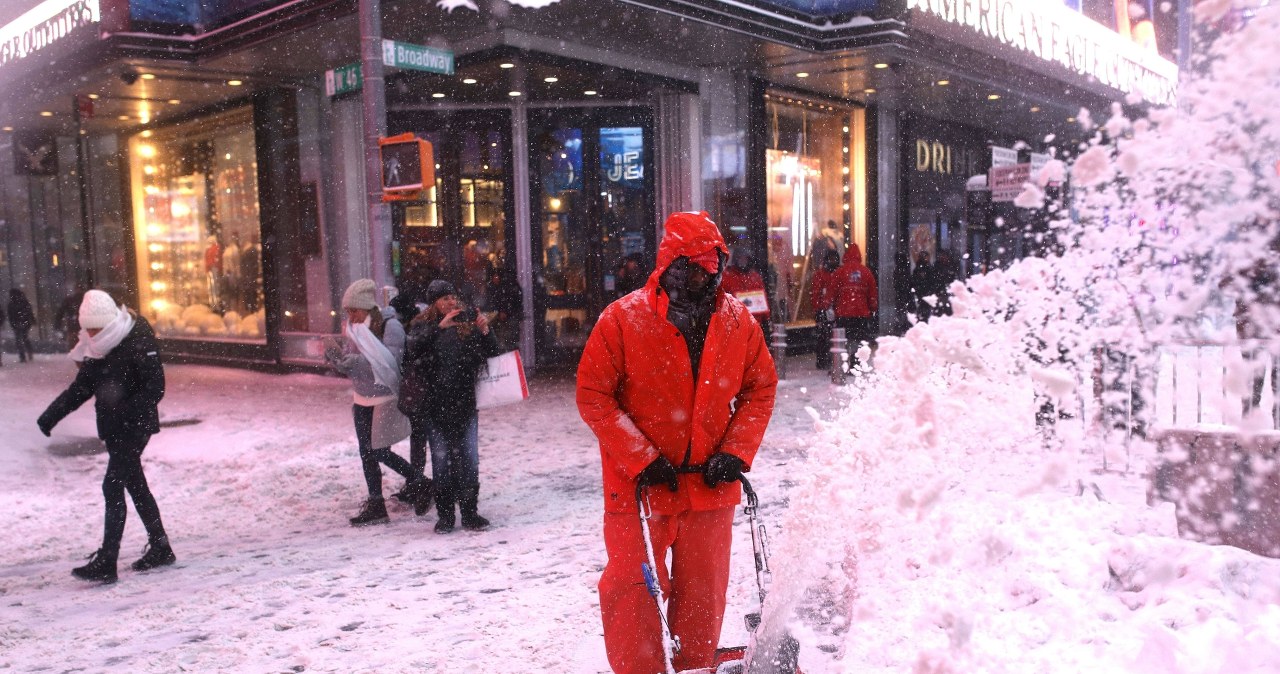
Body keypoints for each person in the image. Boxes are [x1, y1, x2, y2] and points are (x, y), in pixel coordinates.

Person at [576, 211, 778, 674]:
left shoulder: (738, 323)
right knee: (633, 592)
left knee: (703, 599)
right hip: (638, 491)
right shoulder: (622, 320)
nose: (707, 277)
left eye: (713, 266)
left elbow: (761, 388)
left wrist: (735, 451)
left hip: (708, 489)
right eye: (696, 266)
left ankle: (695, 668)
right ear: (669, 265)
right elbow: (593, 395)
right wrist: (641, 459)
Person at [36, 290, 175, 583]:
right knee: (135, 485)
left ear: (108, 322)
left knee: (112, 487)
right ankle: (161, 547)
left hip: (134, 427)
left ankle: (107, 560)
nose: (91, 334)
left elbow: (155, 387)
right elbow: (81, 388)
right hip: (114, 428)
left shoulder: (137, 340)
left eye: (95, 329)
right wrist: (51, 416)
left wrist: (128, 413)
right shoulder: (97, 348)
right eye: (88, 329)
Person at [325, 279, 432, 526]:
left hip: (386, 396)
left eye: (354, 310)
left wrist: (355, 362)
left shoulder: (389, 326)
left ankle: (421, 482)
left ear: (366, 306)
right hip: (361, 397)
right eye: (347, 311)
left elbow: (390, 364)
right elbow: (357, 361)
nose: (350, 316)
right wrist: (337, 359)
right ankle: (376, 503)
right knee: (366, 452)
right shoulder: (354, 329)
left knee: (379, 449)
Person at [405, 279, 503, 534]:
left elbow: (494, 355)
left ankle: (470, 513)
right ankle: (446, 515)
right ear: (434, 302)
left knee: (469, 458)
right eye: (444, 298)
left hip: (465, 403)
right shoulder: (421, 325)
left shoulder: (467, 324)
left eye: (452, 297)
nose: (450, 302)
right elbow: (412, 354)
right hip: (435, 406)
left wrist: (485, 331)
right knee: (441, 459)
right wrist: (439, 329)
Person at [830, 243, 879, 370]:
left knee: (842, 340)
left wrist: (829, 306)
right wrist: (872, 308)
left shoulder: (840, 271)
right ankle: (856, 363)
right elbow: (872, 293)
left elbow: (832, 291)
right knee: (859, 339)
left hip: (843, 312)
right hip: (861, 313)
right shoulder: (866, 272)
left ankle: (841, 365)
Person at [720, 244, 771, 329]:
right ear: (735, 259)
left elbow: (762, 298)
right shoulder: (727, 277)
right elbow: (721, 300)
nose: (743, 260)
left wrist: (766, 316)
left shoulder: (755, 276)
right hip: (736, 323)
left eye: (745, 258)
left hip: (755, 322)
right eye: (740, 258)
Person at [810, 249, 842, 370]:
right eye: (831, 259)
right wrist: (819, 308)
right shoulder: (821, 274)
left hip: (834, 309)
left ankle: (828, 359)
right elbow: (816, 294)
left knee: (829, 336)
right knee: (823, 336)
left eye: (834, 259)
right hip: (825, 309)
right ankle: (823, 360)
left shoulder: (837, 273)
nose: (833, 261)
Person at [482, 267, 523, 351]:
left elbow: (513, 300)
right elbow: (490, 302)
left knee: (509, 341)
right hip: (498, 319)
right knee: (501, 342)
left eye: (497, 276)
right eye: (494, 277)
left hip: (509, 318)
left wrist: (505, 311)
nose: (495, 279)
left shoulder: (508, 287)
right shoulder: (492, 288)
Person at [55, 285, 87, 351]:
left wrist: (58, 324)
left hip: (74, 325)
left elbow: (60, 313)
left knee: (74, 344)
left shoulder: (70, 300)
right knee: (79, 343)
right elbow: (60, 313)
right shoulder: (85, 300)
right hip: (81, 325)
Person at [8, 288, 35, 362]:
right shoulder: (23, 301)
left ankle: (22, 356)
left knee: (19, 340)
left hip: (17, 323)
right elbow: (29, 312)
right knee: (24, 338)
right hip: (24, 322)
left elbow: (10, 315)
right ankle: (28, 352)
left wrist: (12, 323)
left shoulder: (12, 303)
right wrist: (31, 320)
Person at [911, 251, 936, 322]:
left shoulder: (927, 267)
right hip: (922, 292)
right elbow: (916, 280)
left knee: (925, 309)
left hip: (924, 292)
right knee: (924, 309)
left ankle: (923, 321)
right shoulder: (921, 268)